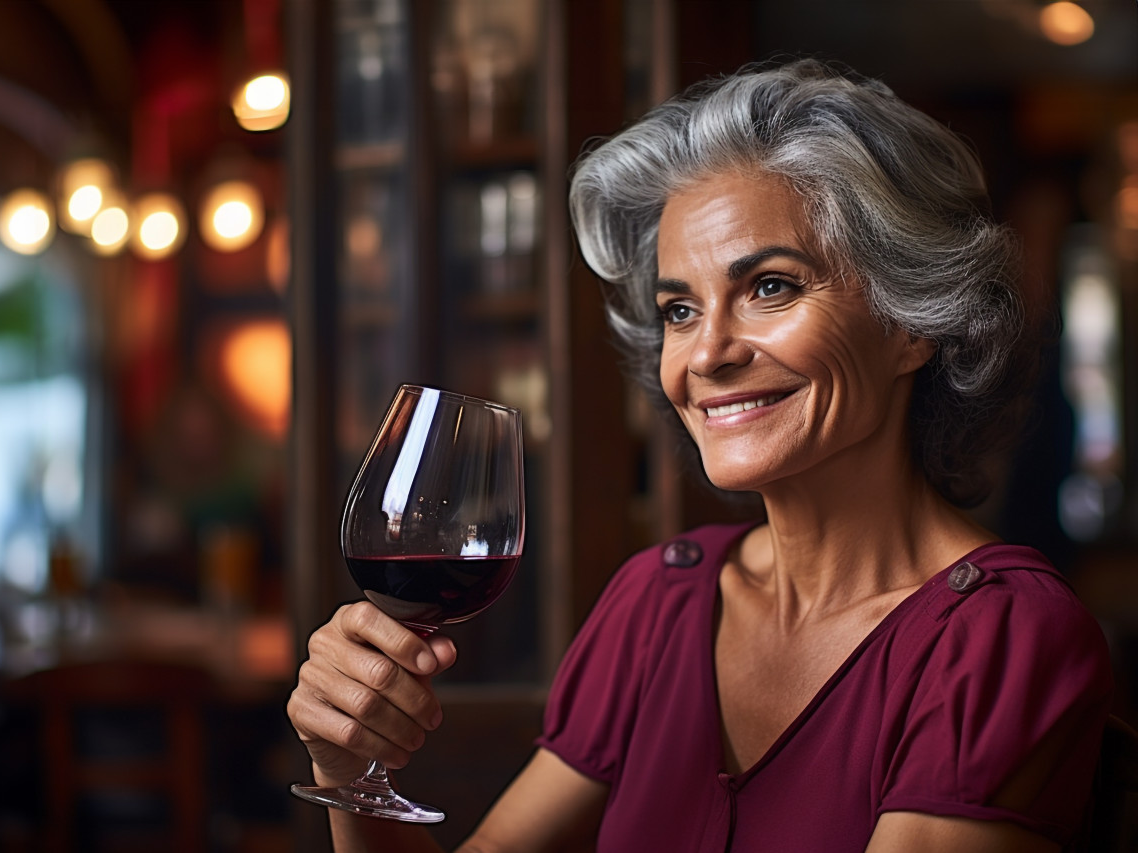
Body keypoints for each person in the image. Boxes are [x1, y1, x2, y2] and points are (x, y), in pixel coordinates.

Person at [286, 58, 1115, 852]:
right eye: (679, 309)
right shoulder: (661, 601)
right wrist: (348, 759)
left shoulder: (998, 636)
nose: (707, 353)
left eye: (770, 287)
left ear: (912, 324)